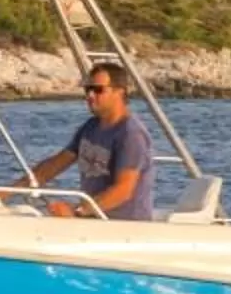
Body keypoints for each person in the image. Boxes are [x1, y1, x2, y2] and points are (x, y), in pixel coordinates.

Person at [25, 65, 155, 220]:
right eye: (88, 90)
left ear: (120, 92)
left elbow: (123, 190)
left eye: (98, 90)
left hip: (123, 227)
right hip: (93, 220)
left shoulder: (131, 134)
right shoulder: (91, 127)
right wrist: (2, 194)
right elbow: (53, 166)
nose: (90, 95)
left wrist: (77, 211)